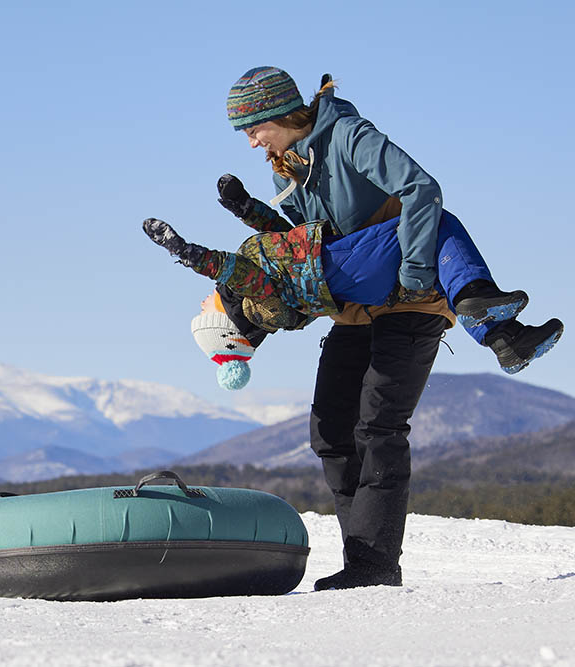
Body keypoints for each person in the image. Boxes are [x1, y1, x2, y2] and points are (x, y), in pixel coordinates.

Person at [194, 65, 558, 591]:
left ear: (278, 113)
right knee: (329, 432)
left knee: (379, 426)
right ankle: (361, 555)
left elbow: (420, 188)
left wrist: (412, 271)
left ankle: (374, 565)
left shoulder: (350, 136)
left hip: (414, 302)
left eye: (254, 129)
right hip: (356, 305)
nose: (252, 142)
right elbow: (310, 247)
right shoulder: (286, 167)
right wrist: (252, 212)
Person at [142, 203, 563, 374]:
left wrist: (243, 206)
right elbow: (236, 269)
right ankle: (480, 305)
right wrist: (183, 250)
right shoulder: (255, 301)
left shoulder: (266, 304)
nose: (202, 302)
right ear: (223, 323)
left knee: (435, 257)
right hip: (340, 267)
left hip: (354, 279)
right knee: (430, 220)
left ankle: (504, 338)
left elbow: (280, 238)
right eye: (204, 310)